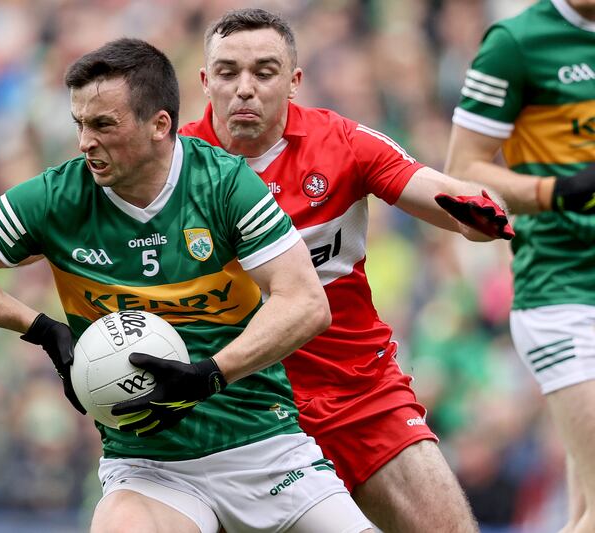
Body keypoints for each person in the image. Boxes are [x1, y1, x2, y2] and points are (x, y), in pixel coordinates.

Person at [0, 38, 373, 533]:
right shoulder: (59, 196)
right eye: (80, 124)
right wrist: (40, 328)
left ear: (159, 125)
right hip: (149, 469)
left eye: (103, 125)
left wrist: (208, 373)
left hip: (265, 448)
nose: (85, 142)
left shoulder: (224, 183)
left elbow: (306, 304)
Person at [178, 8, 515, 532]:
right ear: (205, 80)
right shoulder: (171, 167)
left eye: (264, 72)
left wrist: (481, 212)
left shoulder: (343, 143)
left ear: (293, 82)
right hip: (239, 408)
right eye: (227, 72)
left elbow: (430, 187)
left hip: (359, 392)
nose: (244, 88)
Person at [444, 1, 595, 531]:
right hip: (564, 288)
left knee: (583, 512)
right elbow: (460, 173)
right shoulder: (517, 43)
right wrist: (554, 191)